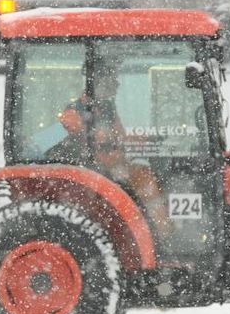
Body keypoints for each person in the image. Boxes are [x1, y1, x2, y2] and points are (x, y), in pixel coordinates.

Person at [55, 61, 171, 238]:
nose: (117, 84)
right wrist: (101, 140)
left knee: (146, 173)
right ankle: (161, 236)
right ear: (98, 81)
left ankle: (158, 232)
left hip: (113, 166)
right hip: (95, 171)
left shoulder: (107, 107)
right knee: (145, 181)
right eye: (112, 80)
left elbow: (120, 138)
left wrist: (150, 139)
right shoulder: (76, 110)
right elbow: (69, 130)